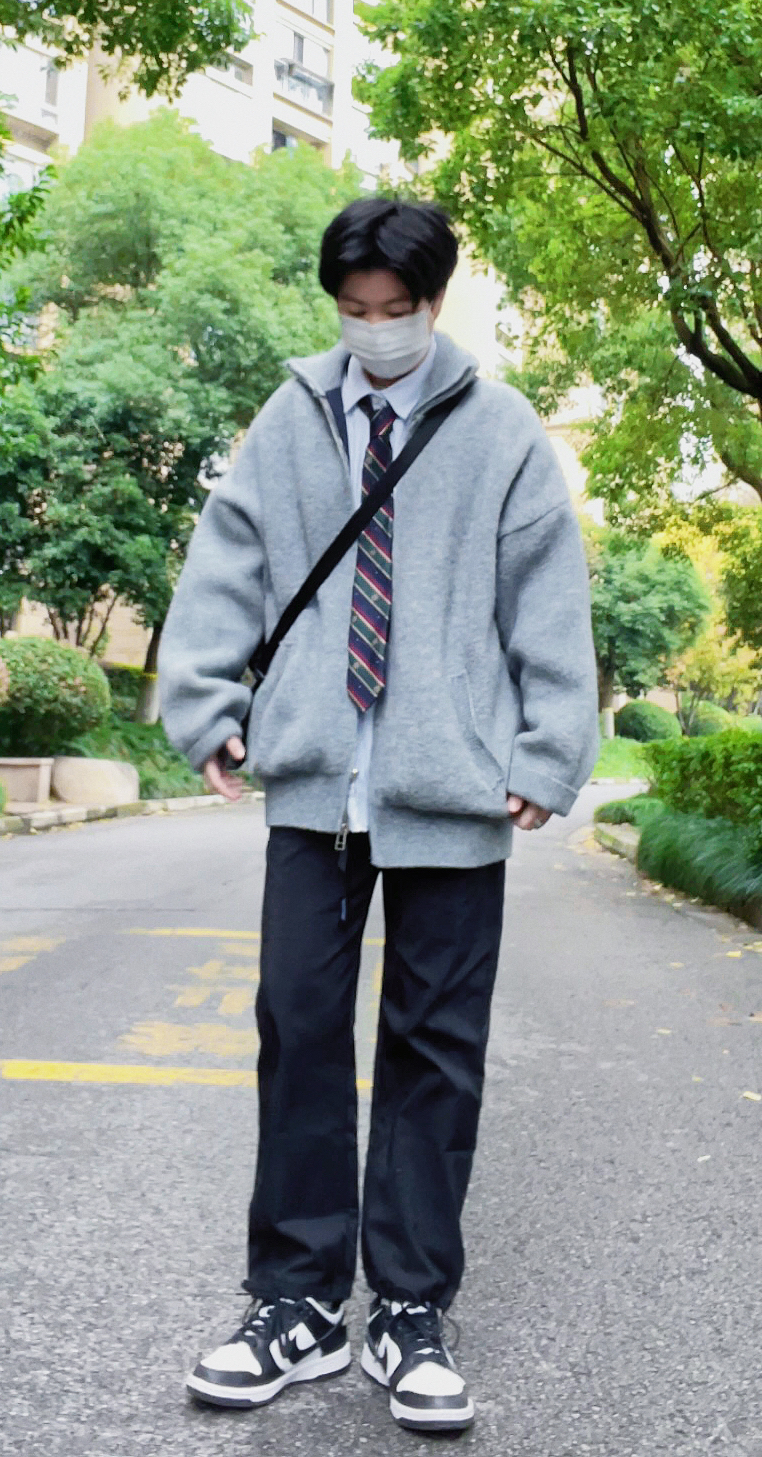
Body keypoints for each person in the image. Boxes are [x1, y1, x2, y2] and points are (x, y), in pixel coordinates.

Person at [158, 197, 598, 1431]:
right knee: (298, 1026)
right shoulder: (292, 418)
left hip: (452, 782)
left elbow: (546, 595)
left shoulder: (503, 431)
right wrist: (206, 702)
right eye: (353, 311)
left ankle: (408, 1308)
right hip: (315, 777)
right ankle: (296, 1302)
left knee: (434, 1045)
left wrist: (550, 747)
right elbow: (228, 557)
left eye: (395, 311)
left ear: (433, 302)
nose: (374, 331)